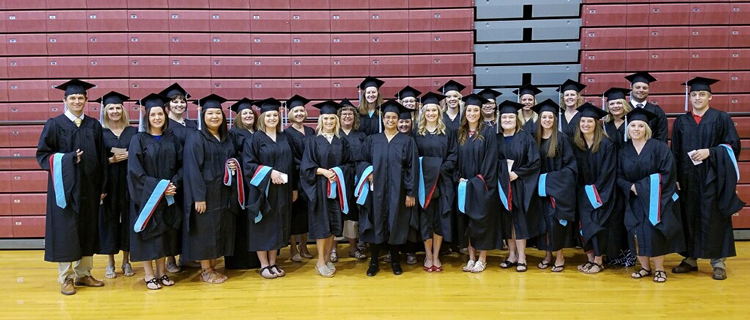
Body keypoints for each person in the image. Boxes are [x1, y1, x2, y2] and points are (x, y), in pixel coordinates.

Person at [36, 79, 107, 295]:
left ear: (86, 100)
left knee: (87, 228)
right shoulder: (55, 124)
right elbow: (43, 155)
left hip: (89, 188)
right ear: (64, 100)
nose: (77, 101)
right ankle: (66, 278)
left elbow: (102, 157)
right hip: (64, 190)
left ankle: (84, 273)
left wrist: (103, 185)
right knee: (66, 231)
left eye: (80, 98)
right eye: (72, 98)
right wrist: (68, 159)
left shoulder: (94, 125)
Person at [671, 77, 744, 280]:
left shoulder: (721, 118)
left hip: (713, 178)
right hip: (687, 179)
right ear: (689, 97)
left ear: (710, 97)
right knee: (688, 216)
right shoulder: (681, 121)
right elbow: (674, 151)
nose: (697, 98)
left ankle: (718, 261)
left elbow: (732, 146)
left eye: (701, 94)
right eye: (694, 94)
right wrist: (675, 177)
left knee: (715, 218)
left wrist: (710, 152)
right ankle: (690, 258)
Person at [616, 108, 685, 283]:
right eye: (633, 125)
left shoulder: (659, 147)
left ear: (646, 128)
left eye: (640, 125)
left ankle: (659, 269)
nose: (636, 129)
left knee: (654, 233)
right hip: (633, 200)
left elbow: (668, 172)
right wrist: (631, 187)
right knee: (636, 234)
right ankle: (645, 267)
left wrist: (641, 187)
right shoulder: (623, 150)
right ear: (628, 129)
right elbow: (618, 176)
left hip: (656, 199)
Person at [356, 100, 419, 276]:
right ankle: (374, 262)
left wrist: (410, 193)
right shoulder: (372, 140)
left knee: (395, 224)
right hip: (376, 191)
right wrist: (368, 173)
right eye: (388, 117)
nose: (390, 120)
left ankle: (395, 261)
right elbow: (361, 161)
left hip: (398, 192)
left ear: (399, 120)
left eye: (394, 117)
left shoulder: (407, 142)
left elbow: (412, 168)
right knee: (376, 223)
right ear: (383, 119)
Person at [127, 93, 183, 290]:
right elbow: (135, 171)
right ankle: (149, 275)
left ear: (165, 116)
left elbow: (181, 165)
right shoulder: (138, 139)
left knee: (164, 236)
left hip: (168, 197)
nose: (157, 118)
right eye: (153, 115)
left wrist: (173, 184)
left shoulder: (172, 139)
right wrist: (159, 187)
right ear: (147, 117)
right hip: (146, 198)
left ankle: (162, 273)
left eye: (160, 114)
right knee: (148, 236)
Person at [182, 94, 239, 284]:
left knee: (219, 230)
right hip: (205, 193)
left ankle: (213, 266)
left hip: (223, 193)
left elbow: (233, 158)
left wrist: (234, 165)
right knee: (205, 232)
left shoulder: (226, 138)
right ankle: (205, 269)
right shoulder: (196, 138)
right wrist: (199, 197)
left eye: (218, 113)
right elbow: (192, 170)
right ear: (203, 115)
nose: (214, 116)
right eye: (210, 113)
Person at [301, 100, 354, 277]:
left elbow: (349, 164)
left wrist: (338, 171)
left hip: (337, 187)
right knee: (321, 224)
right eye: (326, 119)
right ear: (321, 120)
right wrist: (323, 171)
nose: (329, 122)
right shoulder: (313, 141)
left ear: (336, 120)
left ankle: (328, 258)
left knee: (333, 224)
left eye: (332, 118)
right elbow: (306, 167)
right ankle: (320, 261)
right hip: (320, 188)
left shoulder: (342, 141)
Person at [244, 98, 295, 279]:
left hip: (282, 191)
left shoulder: (284, 137)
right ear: (262, 118)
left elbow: (292, 164)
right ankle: (264, 265)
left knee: (278, 225)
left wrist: (293, 188)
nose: (272, 118)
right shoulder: (254, 139)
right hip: (262, 192)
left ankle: (273, 262)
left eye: (275, 115)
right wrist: (269, 172)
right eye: (269, 115)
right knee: (263, 226)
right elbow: (248, 165)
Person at [495, 101, 541, 273]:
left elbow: (535, 162)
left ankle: (522, 256)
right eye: (504, 117)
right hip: (502, 185)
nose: (507, 119)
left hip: (520, 185)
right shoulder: (496, 139)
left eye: (510, 117)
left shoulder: (525, 138)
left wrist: (518, 173)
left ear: (516, 119)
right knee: (506, 221)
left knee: (519, 221)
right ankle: (511, 255)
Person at [413, 92, 457, 272]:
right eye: (427, 110)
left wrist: (440, 169)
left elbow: (453, 155)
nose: (431, 113)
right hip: (423, 183)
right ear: (423, 113)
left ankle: (437, 255)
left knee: (439, 219)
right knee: (425, 220)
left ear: (439, 112)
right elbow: (413, 158)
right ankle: (428, 255)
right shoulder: (416, 133)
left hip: (443, 182)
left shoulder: (448, 132)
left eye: (434, 110)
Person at [96, 91, 137, 279]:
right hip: (109, 183)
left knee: (129, 219)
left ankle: (126, 261)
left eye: (118, 108)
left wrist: (131, 157)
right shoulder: (99, 133)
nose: (114, 111)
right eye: (111, 108)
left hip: (129, 183)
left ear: (123, 110)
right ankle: (110, 262)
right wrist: (110, 160)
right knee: (110, 220)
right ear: (105, 111)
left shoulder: (133, 132)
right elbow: (95, 159)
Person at [572, 103, 617, 274]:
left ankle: (599, 261)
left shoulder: (606, 144)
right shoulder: (578, 144)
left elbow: (608, 172)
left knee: (597, 224)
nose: (585, 125)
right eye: (583, 121)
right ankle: (590, 259)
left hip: (601, 194)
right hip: (582, 192)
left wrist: (596, 193)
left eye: (589, 121)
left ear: (597, 123)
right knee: (584, 225)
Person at [455, 94, 499, 273]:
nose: (472, 113)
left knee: (482, 222)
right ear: (465, 113)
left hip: (482, 185)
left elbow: (491, 160)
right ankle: (471, 258)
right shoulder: (460, 134)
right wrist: (458, 177)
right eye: (469, 110)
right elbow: (455, 158)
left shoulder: (488, 133)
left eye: (475, 110)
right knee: (468, 222)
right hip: (464, 185)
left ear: (481, 113)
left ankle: (482, 258)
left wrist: (479, 182)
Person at [532, 99, 577, 272]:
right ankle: (547, 254)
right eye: (544, 117)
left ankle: (559, 256)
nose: (547, 120)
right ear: (540, 119)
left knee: (556, 223)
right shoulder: (534, 138)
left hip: (556, 189)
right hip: (538, 190)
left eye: (550, 117)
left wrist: (550, 180)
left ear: (555, 119)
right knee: (543, 223)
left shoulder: (562, 139)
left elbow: (571, 166)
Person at [158, 83, 197, 271]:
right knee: (173, 218)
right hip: (173, 179)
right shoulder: (165, 127)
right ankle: (171, 258)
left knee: (189, 218)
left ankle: (186, 256)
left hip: (192, 179)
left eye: (182, 102)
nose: (180, 105)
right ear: (168, 106)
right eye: (175, 102)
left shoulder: (193, 125)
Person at [225, 98, 262, 270]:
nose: (248, 115)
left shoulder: (260, 132)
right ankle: (240, 260)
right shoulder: (233, 133)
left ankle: (259, 258)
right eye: (244, 113)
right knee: (242, 221)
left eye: (250, 113)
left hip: (258, 181)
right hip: (243, 184)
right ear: (239, 116)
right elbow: (231, 155)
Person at [602, 87, 636, 267]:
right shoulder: (604, 126)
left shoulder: (633, 124)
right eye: (612, 103)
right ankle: (612, 254)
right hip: (610, 177)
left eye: (618, 103)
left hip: (628, 175)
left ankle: (629, 255)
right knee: (612, 217)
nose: (615, 106)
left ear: (624, 104)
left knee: (628, 216)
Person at [336, 99, 368, 261]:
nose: (347, 117)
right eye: (344, 114)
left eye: (350, 114)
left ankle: (353, 247)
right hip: (339, 179)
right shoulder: (334, 135)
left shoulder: (361, 136)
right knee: (337, 212)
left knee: (354, 213)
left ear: (355, 118)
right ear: (339, 117)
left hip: (358, 178)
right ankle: (333, 249)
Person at [284, 95, 314, 262]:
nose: (299, 113)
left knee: (307, 214)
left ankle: (304, 245)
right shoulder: (287, 133)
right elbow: (290, 158)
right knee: (295, 215)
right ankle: (293, 248)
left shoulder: (311, 131)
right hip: (296, 177)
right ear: (290, 113)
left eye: (301, 110)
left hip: (310, 179)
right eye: (296, 111)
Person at [625, 72, 669, 142]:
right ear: (631, 87)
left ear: (649, 89)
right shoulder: (624, 109)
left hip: (652, 151)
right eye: (638, 87)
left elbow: (662, 135)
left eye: (644, 88)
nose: (641, 90)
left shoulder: (657, 111)